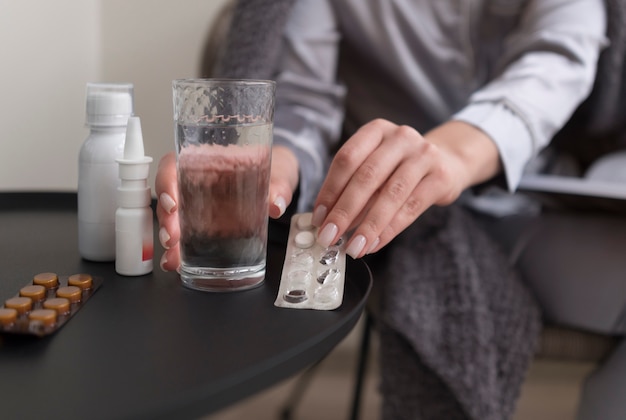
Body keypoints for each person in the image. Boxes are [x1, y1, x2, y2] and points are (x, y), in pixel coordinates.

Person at [156, 1, 626, 419]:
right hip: (396, 222)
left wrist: (453, 155)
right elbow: (302, 103)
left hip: (548, 196)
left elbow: (560, 56)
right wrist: (271, 166)